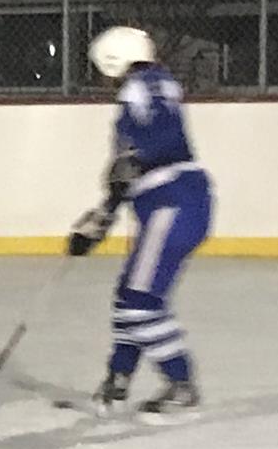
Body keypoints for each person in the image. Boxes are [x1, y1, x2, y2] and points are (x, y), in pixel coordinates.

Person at [69, 25, 215, 416]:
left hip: (173, 202)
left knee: (140, 303)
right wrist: (101, 218)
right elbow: (128, 173)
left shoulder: (141, 86)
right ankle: (118, 380)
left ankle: (180, 384)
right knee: (129, 297)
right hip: (175, 200)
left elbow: (146, 149)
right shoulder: (150, 86)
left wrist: (135, 161)